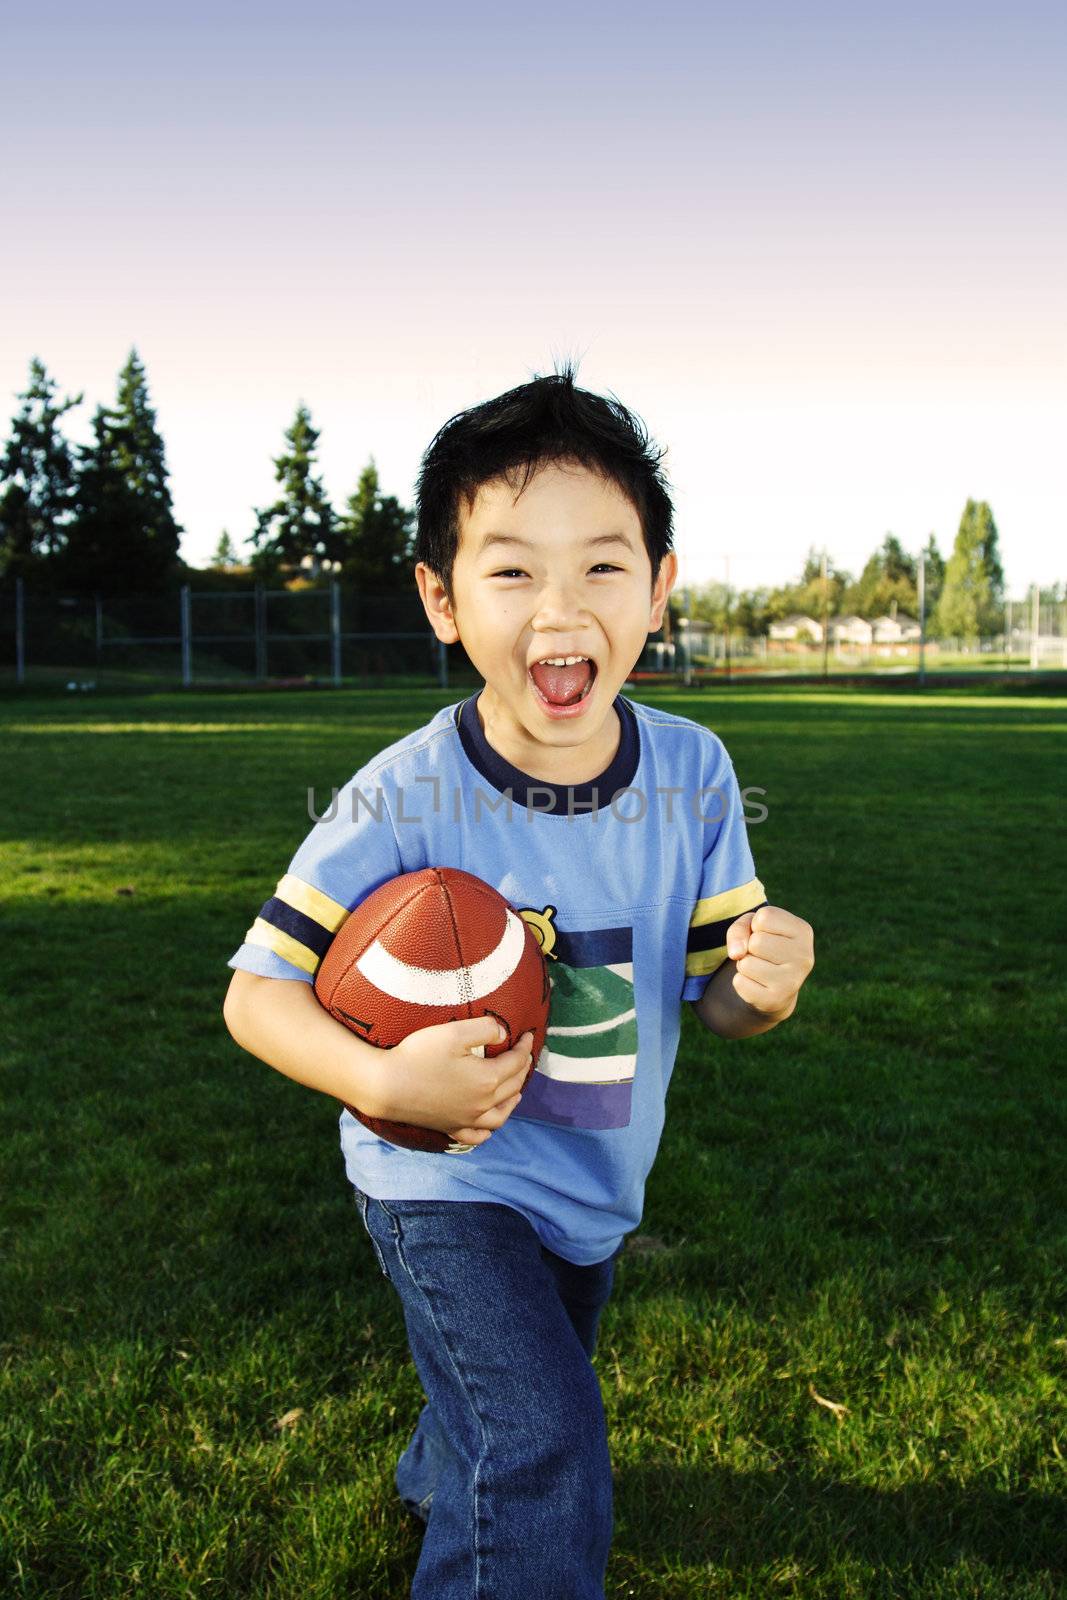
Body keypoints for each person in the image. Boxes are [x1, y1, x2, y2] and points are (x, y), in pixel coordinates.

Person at [222, 360, 815, 1598]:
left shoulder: (698, 772)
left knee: (506, 1397)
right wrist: (385, 1076)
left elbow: (713, 999)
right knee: (547, 1445)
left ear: (657, 588)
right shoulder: (403, 793)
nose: (560, 605)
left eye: (602, 565)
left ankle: (442, 1468)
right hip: (439, 1177)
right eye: (510, 570)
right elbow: (255, 991)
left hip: (592, 1183)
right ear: (442, 599)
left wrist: (757, 991)